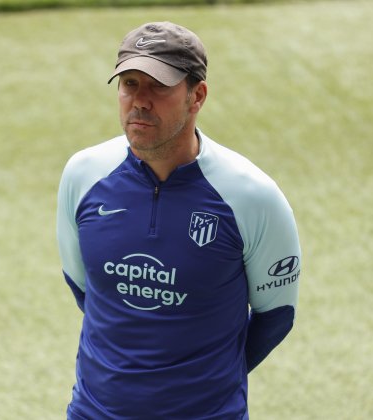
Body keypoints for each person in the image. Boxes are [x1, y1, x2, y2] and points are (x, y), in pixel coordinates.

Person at [56, 21, 301, 419]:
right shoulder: (83, 174)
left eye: (159, 86)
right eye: (130, 83)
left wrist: (203, 383)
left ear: (197, 95)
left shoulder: (252, 196)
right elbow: (82, 286)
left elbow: (276, 316)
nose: (140, 100)